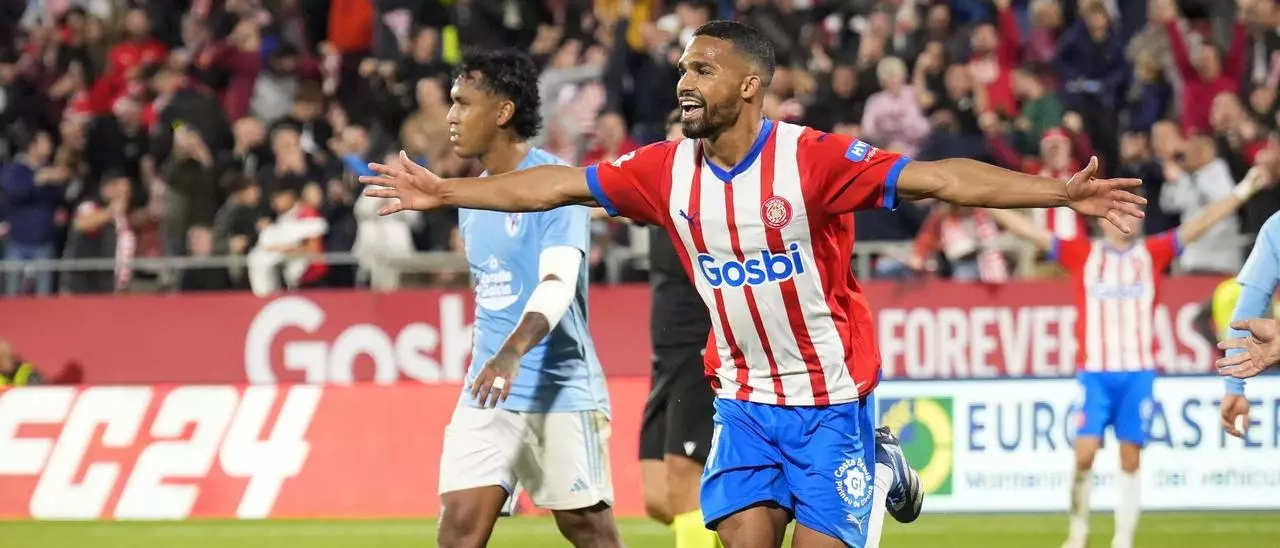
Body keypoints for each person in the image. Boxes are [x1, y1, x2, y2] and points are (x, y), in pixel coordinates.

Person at [365, 21, 1146, 548]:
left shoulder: (812, 160)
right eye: (683, 69)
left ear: (749, 86)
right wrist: (446, 191)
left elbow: (940, 179)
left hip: (829, 400)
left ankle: (875, 461)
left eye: (702, 70)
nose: (684, 82)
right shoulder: (664, 170)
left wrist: (1058, 193)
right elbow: (558, 186)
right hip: (743, 402)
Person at [642, 108, 922, 548]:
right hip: (728, 381)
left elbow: (932, 179)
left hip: (819, 387)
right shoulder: (673, 178)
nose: (684, 145)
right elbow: (580, 186)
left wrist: (1044, 190)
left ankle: (879, 470)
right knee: (665, 498)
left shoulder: (802, 170)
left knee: (682, 488)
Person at [986, 165, 1273, 548]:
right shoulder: (1082, 253)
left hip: (1138, 373)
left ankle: (1122, 539)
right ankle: (1078, 533)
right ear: (1104, 217)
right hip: (1095, 374)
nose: (1126, 219)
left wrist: (1243, 191)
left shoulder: (1152, 253)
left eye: (1133, 211)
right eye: (1119, 211)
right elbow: (1030, 231)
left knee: (1130, 458)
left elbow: (1199, 224)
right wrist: (984, 202)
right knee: (1084, 454)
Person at [429, 50, 622, 548]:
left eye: (463, 103)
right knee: (458, 533)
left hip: (557, 388)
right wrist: (495, 360)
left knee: (590, 533)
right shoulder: (470, 198)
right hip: (487, 389)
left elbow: (557, 284)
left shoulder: (557, 183)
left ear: (502, 111)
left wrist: (512, 352)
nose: (450, 117)